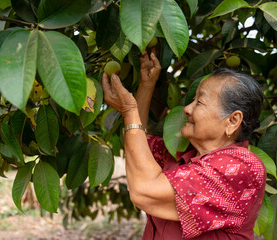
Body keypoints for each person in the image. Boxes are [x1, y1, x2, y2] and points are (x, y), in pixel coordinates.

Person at [102, 50, 266, 240]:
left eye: (200, 102)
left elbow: (144, 190)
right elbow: (137, 143)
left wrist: (129, 110)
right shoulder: (182, 154)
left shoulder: (241, 167)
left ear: (232, 121)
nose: (187, 109)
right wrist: (146, 85)